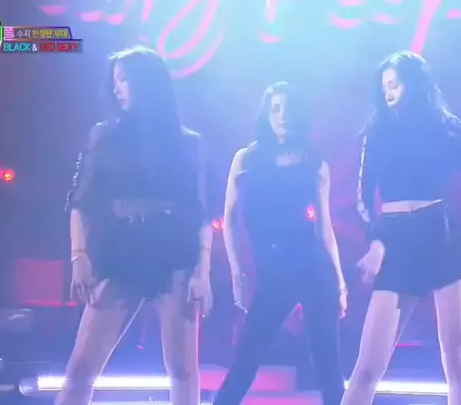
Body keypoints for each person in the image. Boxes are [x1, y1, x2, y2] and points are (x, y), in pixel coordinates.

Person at [341, 51, 461, 405]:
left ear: (415, 84)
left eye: (394, 84)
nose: (387, 92)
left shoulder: (456, 130)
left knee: (458, 362)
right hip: (398, 242)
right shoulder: (377, 134)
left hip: (445, 240)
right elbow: (363, 196)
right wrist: (376, 242)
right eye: (383, 86)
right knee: (366, 368)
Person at [56, 46, 213, 405]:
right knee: (81, 369)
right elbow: (81, 202)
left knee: (183, 370)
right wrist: (79, 255)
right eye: (114, 81)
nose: (117, 89)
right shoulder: (104, 136)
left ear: (147, 82)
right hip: (121, 251)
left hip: (173, 253)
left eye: (124, 79)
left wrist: (202, 271)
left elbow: (201, 212)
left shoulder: (189, 143)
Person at [214, 82, 347, 405]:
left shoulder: (314, 162)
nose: (282, 115)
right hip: (272, 270)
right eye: (275, 109)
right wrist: (237, 273)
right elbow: (229, 219)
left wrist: (340, 282)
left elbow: (325, 228)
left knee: (327, 363)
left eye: (288, 108)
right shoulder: (247, 159)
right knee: (247, 355)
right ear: (266, 115)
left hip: (313, 266)